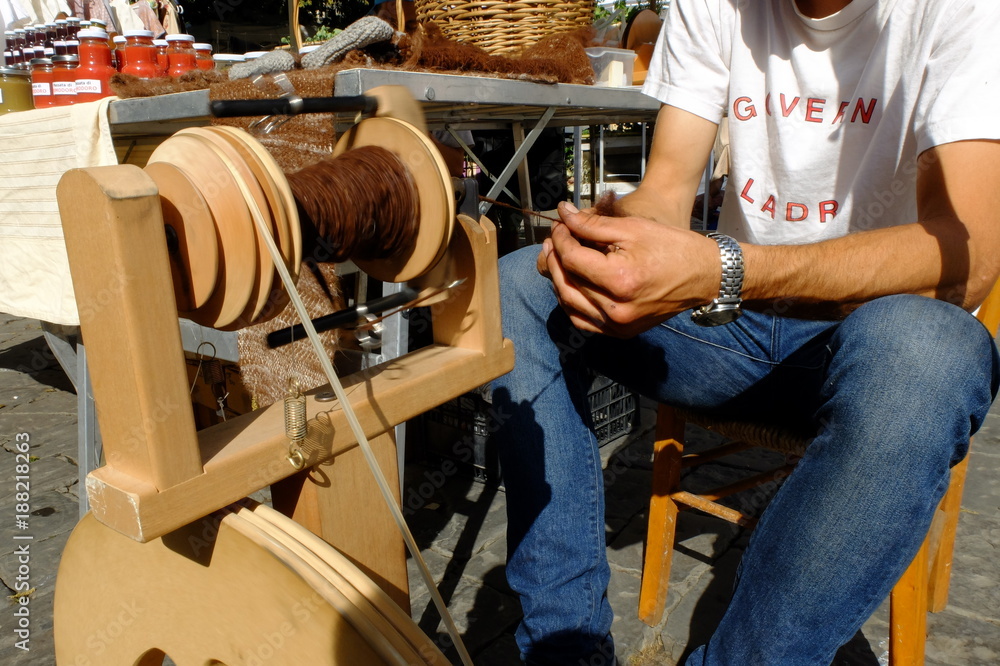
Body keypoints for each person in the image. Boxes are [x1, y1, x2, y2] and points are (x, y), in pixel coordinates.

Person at [491, 0, 1000, 664]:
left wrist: (727, 269)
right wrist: (621, 239)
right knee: (523, 285)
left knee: (928, 353)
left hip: (865, 345)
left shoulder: (957, 11)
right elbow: (670, 187)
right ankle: (567, 649)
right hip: (729, 329)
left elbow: (969, 257)